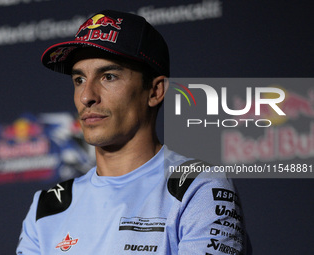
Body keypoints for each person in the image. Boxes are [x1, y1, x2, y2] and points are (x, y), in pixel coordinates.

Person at [17, 10, 249, 255]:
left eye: (108, 76)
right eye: (79, 80)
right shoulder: (47, 206)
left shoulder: (197, 187)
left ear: (155, 91)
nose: (87, 96)